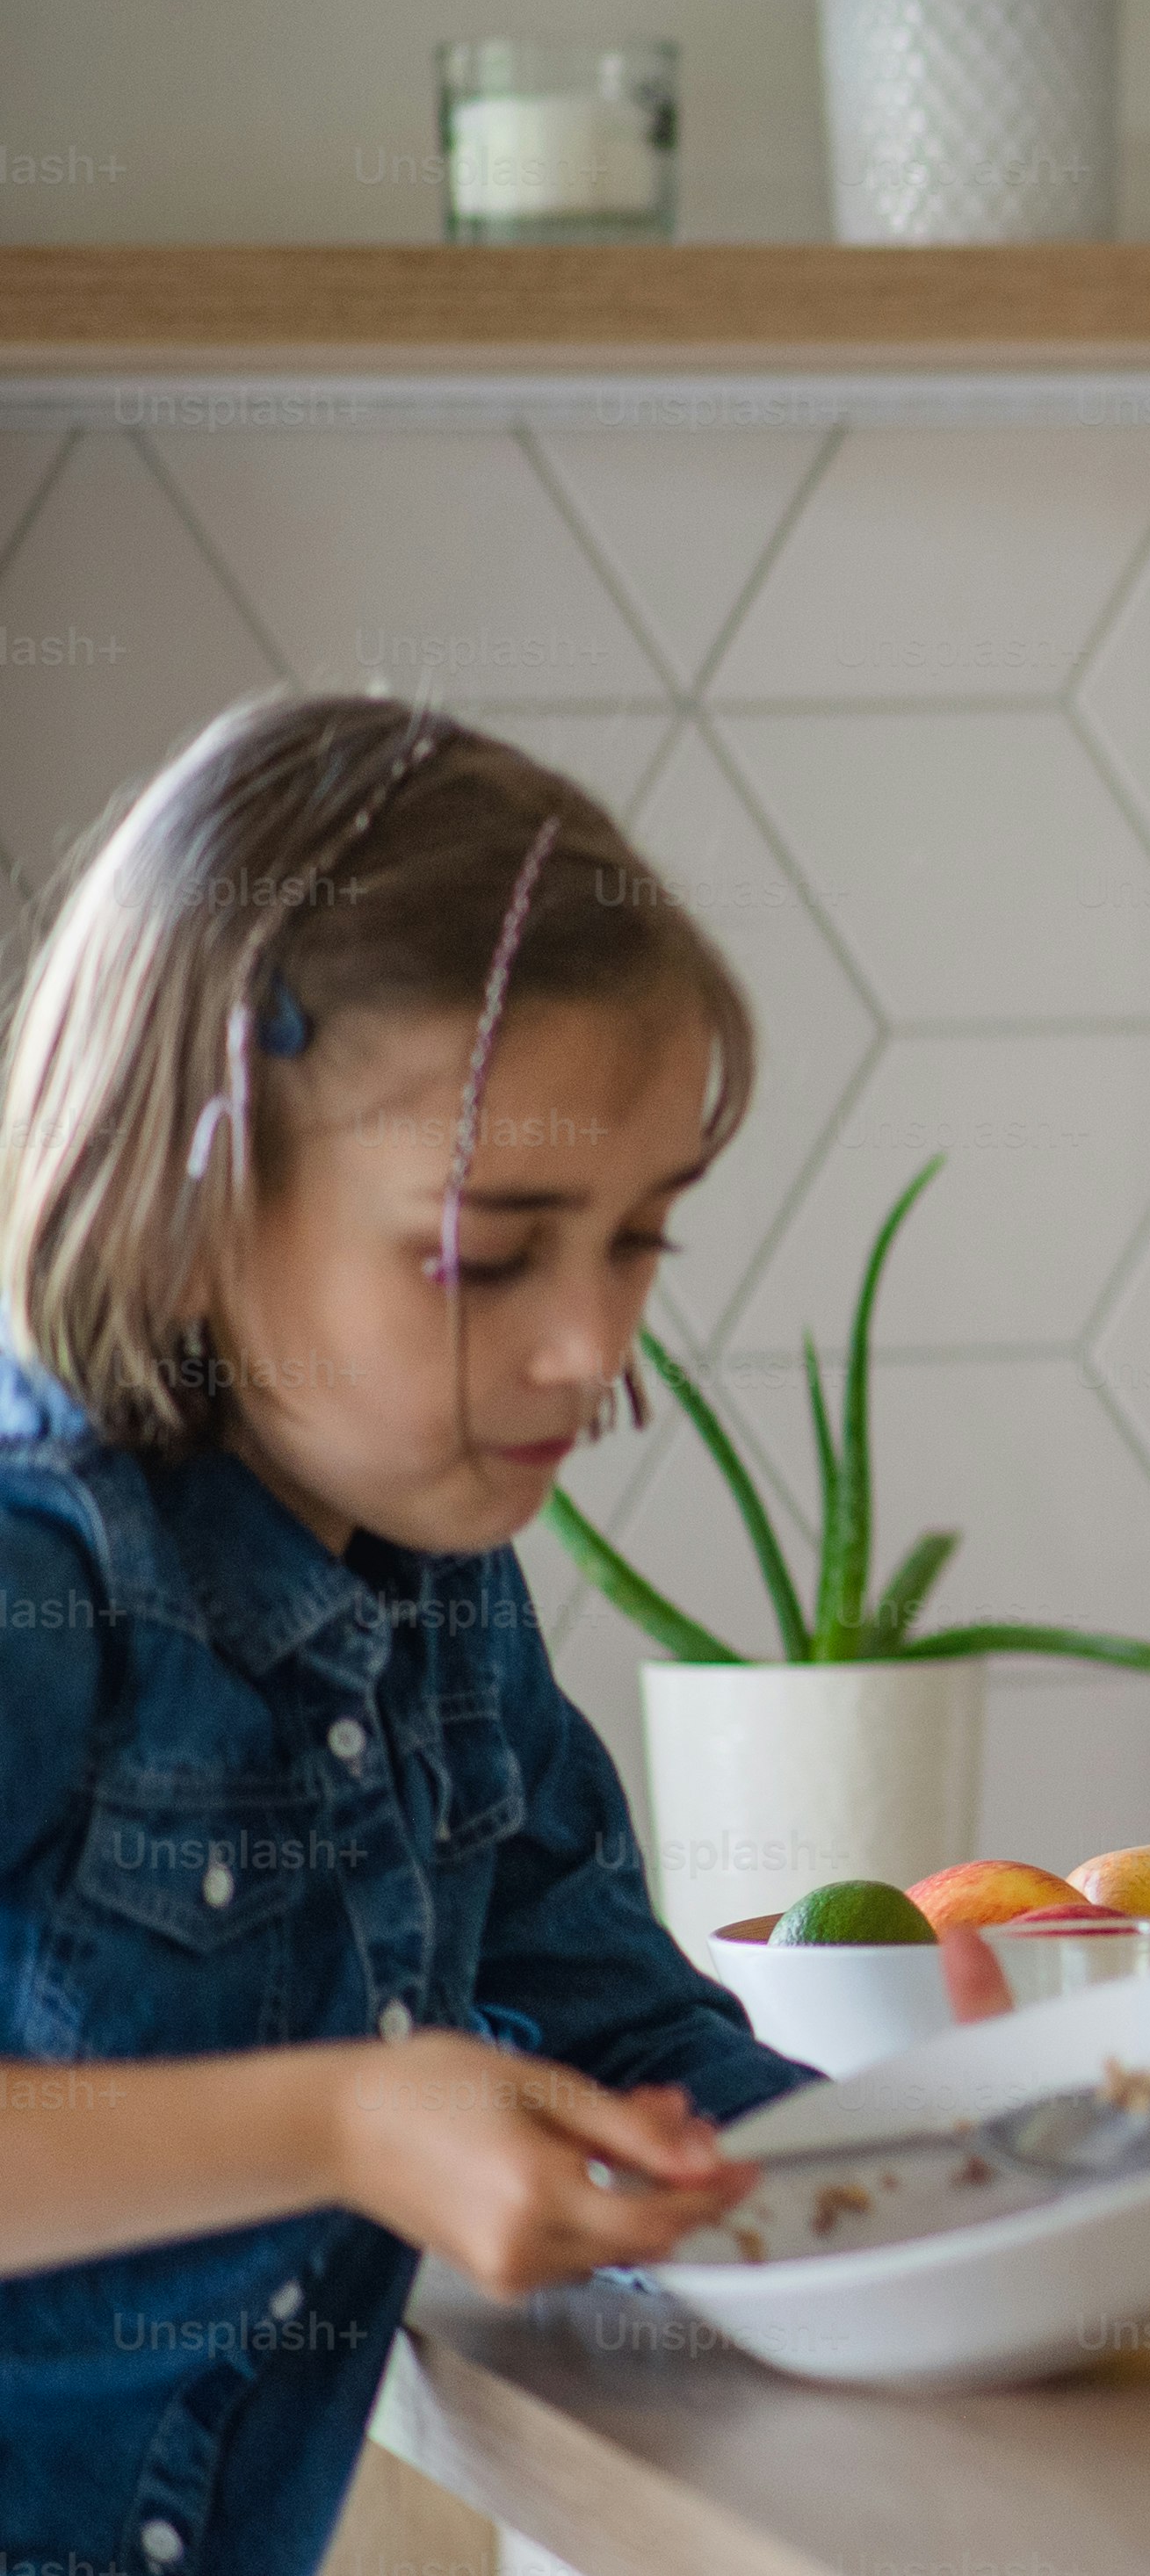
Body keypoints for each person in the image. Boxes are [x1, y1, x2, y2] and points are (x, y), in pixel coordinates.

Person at [0, 697, 807, 2576]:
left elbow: (625, 2034)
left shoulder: (441, 1588)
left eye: (637, 1241)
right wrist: (347, 2120)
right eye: (488, 1251)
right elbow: (379, 2114)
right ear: (199, 1200)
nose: (587, 1348)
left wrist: (957, 2179)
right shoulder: (45, 1571)